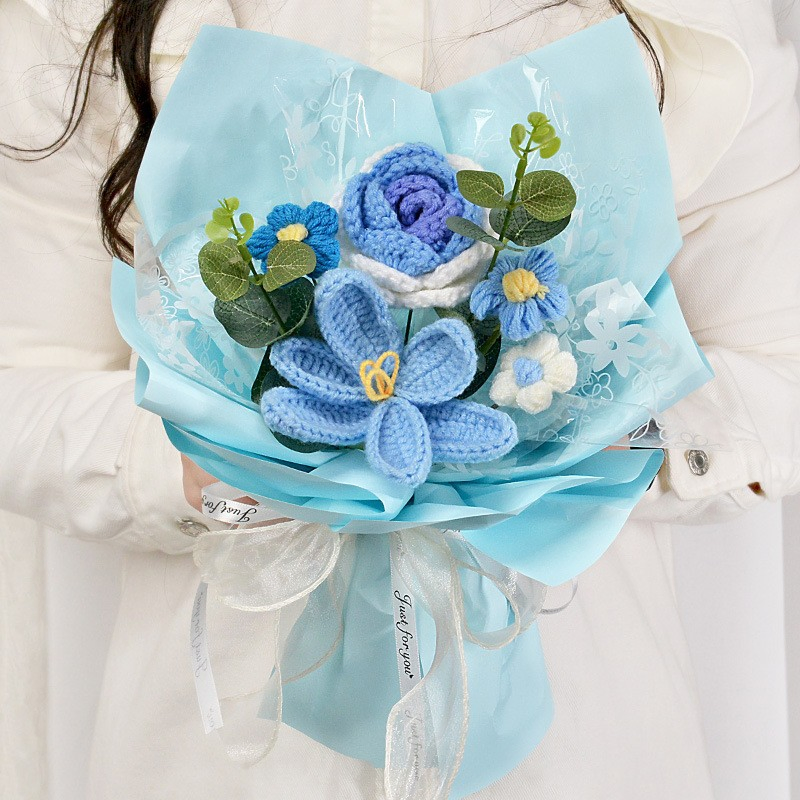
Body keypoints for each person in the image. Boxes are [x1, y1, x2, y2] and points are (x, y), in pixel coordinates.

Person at [1, 0, 798, 798]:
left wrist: (554, 428)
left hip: (579, 749)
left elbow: (779, 378)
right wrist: (221, 461)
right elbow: (24, 383)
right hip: (218, 755)